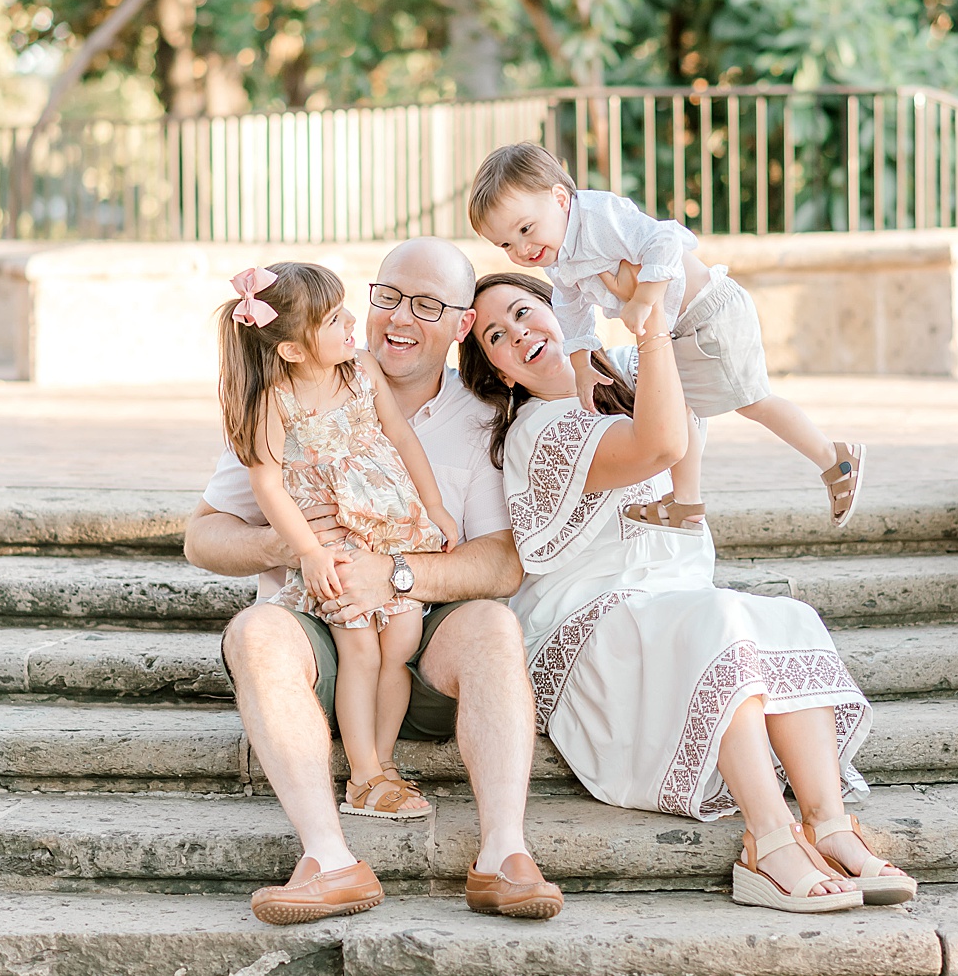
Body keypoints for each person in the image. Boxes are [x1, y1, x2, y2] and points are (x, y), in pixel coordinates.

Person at [460, 270, 917, 914]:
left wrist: (647, 279)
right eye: (496, 337)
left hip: (672, 602)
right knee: (716, 621)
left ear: (560, 308)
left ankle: (830, 827)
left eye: (525, 311)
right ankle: (769, 840)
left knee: (786, 618)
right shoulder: (540, 431)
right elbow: (660, 445)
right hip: (591, 627)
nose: (520, 334)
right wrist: (650, 332)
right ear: (501, 372)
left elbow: (723, 356)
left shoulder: (619, 375)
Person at [186, 238, 564, 925]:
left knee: (494, 625)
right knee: (255, 632)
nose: (397, 317)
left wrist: (390, 574)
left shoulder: (484, 419)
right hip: (322, 634)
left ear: (461, 326)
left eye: (425, 304)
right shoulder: (288, 402)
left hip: (426, 648)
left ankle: (503, 855)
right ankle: (329, 859)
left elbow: (502, 563)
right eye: (387, 296)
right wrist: (293, 542)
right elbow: (202, 535)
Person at [467, 142, 864, 530]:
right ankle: (686, 502)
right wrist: (581, 363)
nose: (522, 249)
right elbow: (570, 309)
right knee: (682, 408)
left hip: (709, 311)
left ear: (559, 198)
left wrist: (645, 297)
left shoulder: (597, 217)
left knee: (752, 401)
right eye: (506, 244)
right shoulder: (558, 256)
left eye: (525, 229)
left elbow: (666, 239)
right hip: (680, 326)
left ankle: (835, 459)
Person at [216, 262, 460, 827]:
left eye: (345, 308)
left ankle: (383, 763)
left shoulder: (361, 370)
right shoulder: (275, 401)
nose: (353, 321)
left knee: (400, 641)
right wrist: (308, 551)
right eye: (333, 319)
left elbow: (400, 438)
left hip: (393, 530)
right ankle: (363, 771)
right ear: (294, 351)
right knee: (361, 650)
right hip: (338, 543)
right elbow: (268, 485)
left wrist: (436, 507)